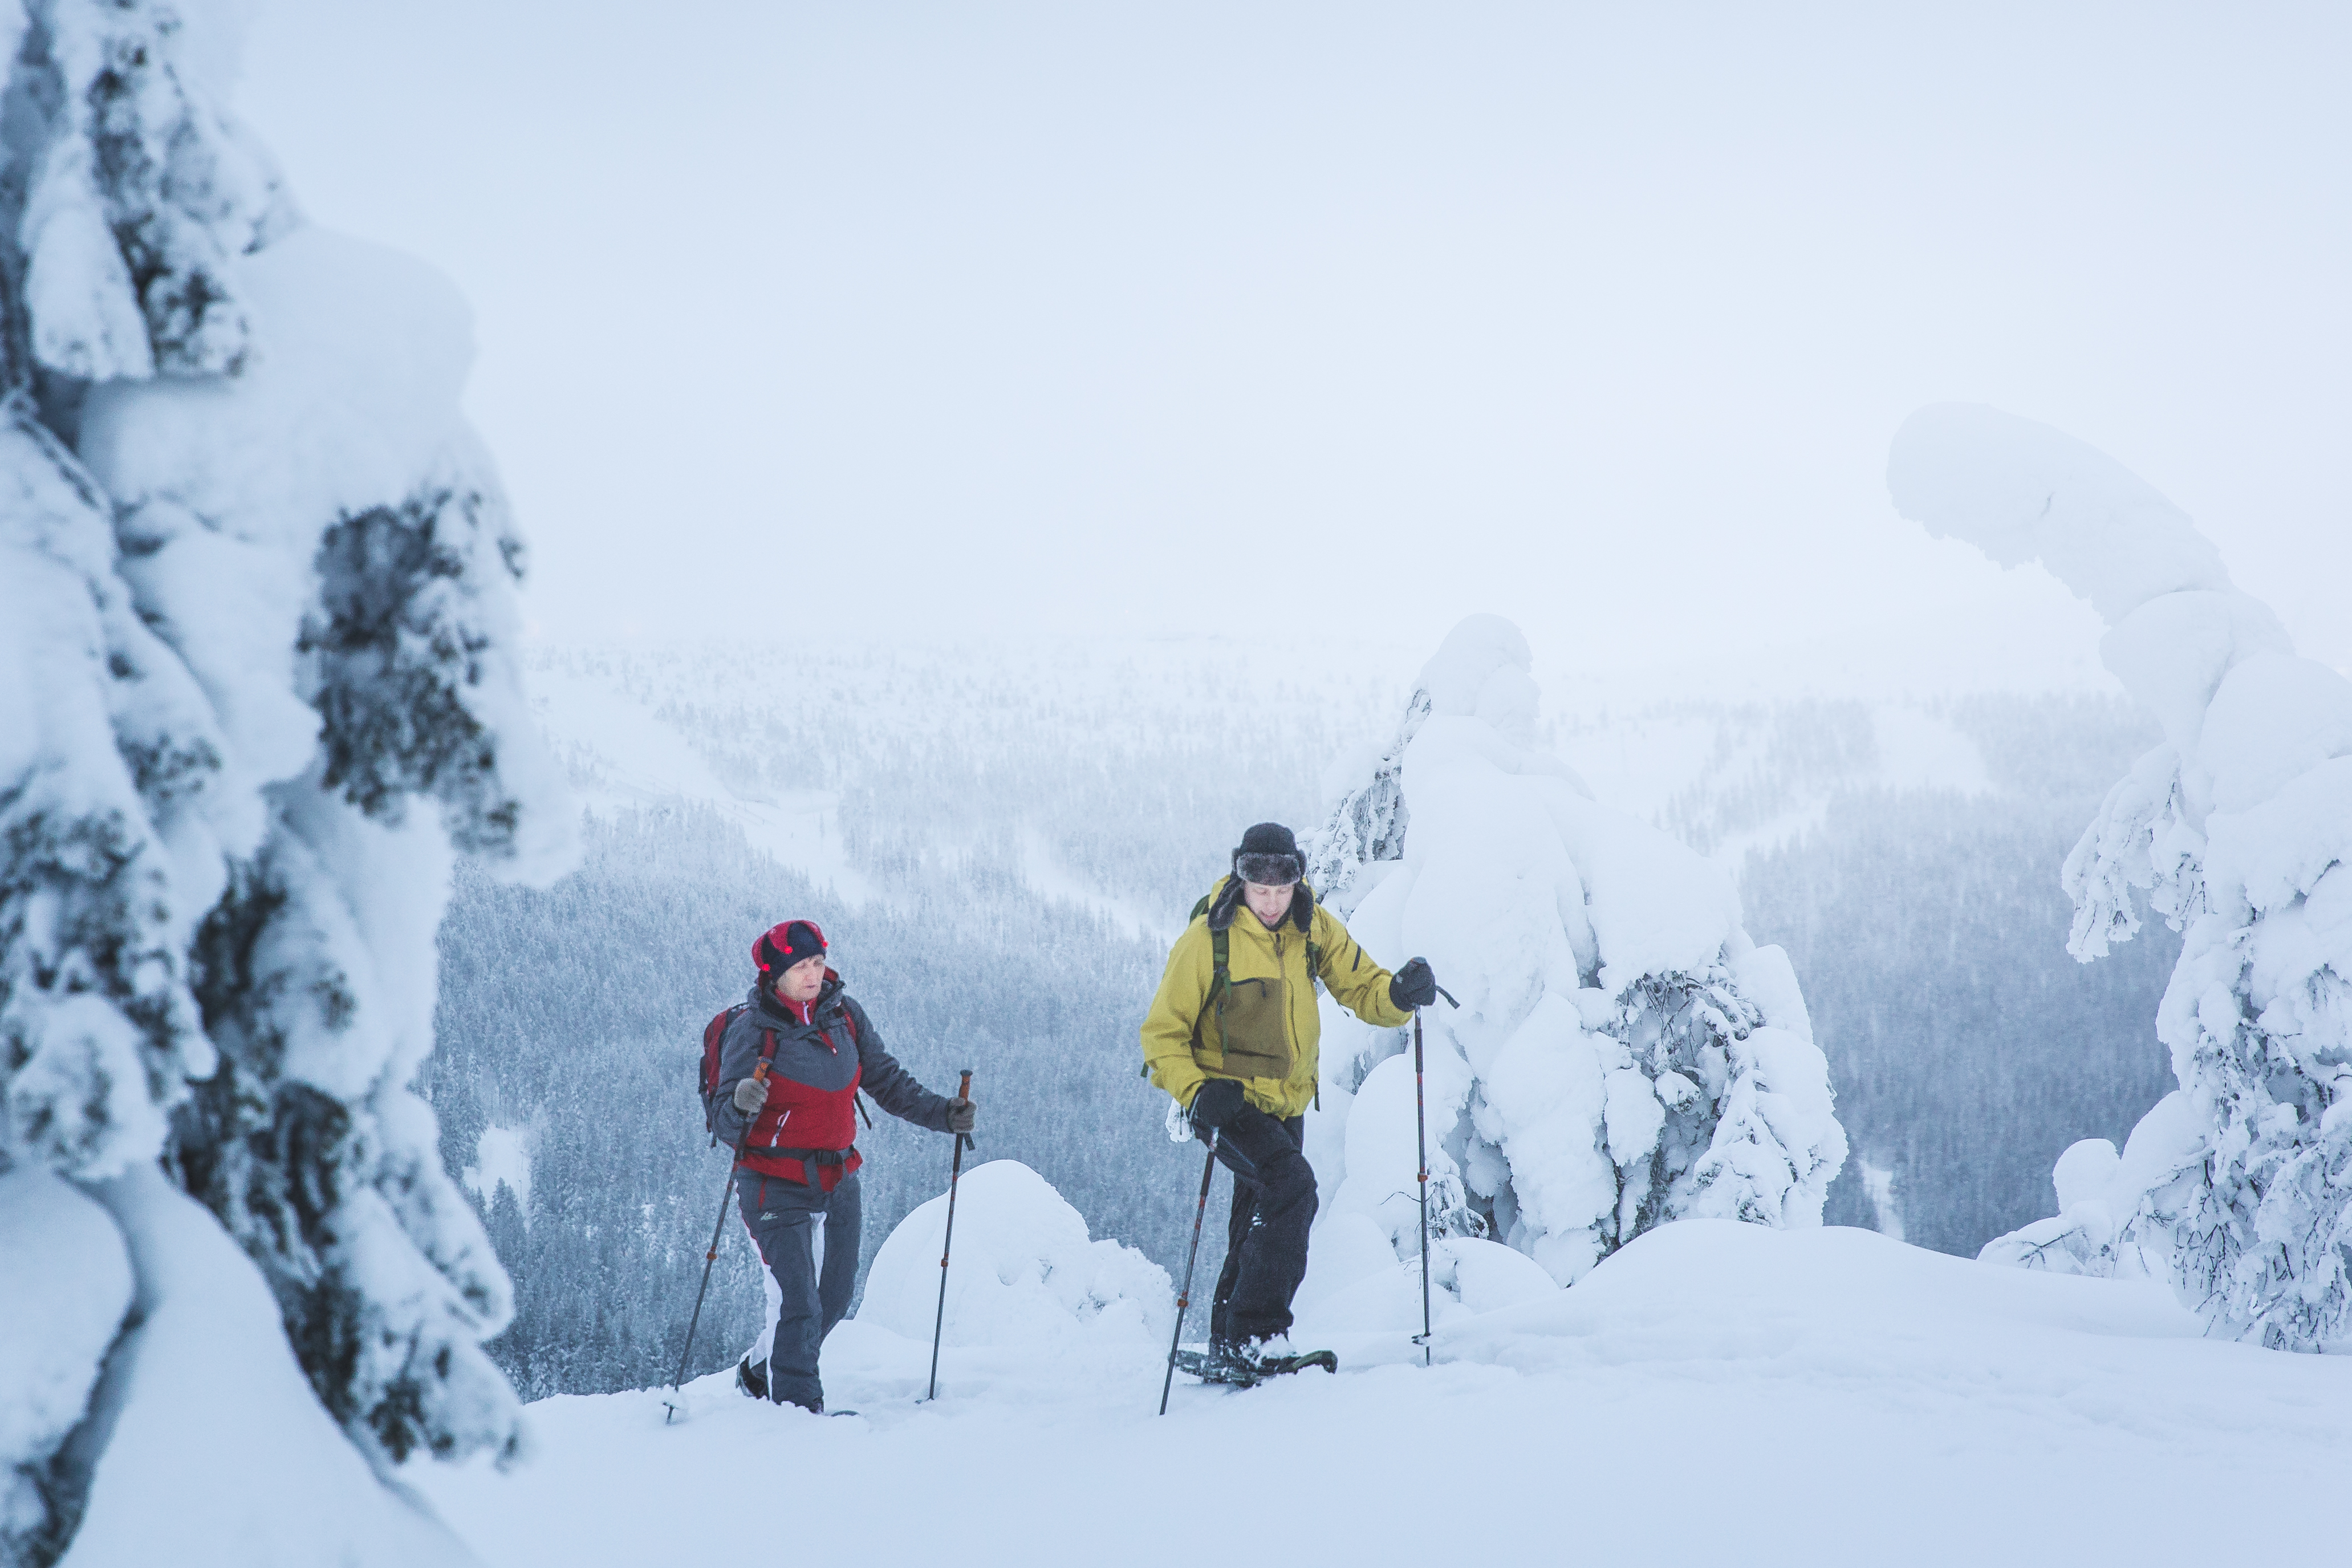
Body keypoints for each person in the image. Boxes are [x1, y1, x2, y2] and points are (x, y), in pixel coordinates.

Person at [1141, 822, 1440, 1378]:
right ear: (1242, 878)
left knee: (1258, 1213)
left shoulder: (1311, 924)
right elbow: (1162, 1035)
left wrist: (1399, 995)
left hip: (1287, 1100)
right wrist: (1198, 1090)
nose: (1273, 900)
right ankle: (1258, 1335)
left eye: (1283, 887)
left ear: (1297, 879)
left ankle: (1229, 1341)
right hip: (1225, 1101)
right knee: (1291, 1188)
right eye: (1261, 888)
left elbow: (1363, 987)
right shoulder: (1209, 939)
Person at [710, 919, 977, 1413]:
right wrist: (741, 1104)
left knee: (832, 1299)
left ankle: (759, 1372)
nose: (813, 974)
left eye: (817, 962)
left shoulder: (843, 1015)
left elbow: (886, 1081)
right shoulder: (753, 1031)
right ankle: (798, 1413)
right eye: (800, 966)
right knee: (799, 1305)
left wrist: (944, 1114)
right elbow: (724, 1123)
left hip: (837, 1178)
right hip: (773, 1184)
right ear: (775, 974)